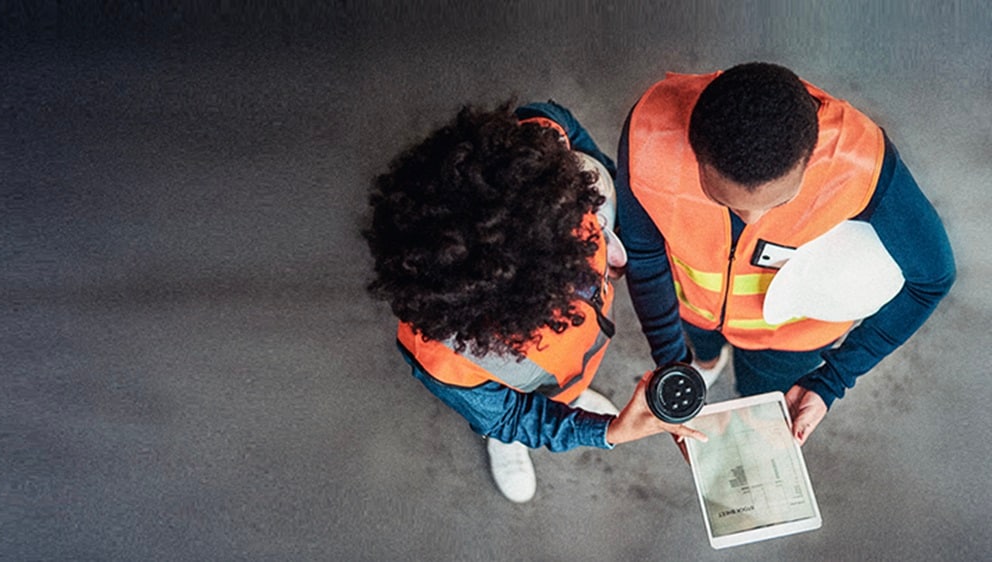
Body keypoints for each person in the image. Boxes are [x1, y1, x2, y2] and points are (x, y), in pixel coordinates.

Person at [365, 101, 706, 503]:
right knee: (515, 417)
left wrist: (599, 191)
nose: (610, 261)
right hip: (522, 390)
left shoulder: (553, 183)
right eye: (573, 284)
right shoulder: (443, 358)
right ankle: (507, 442)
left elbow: (558, 124)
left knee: (569, 388)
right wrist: (602, 430)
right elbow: (509, 414)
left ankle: (572, 396)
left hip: (578, 357)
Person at [616, 62, 955, 445]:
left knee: (759, 400)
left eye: (779, 202)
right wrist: (672, 365)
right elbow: (644, 253)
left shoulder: (859, 163)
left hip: (789, 342)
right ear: (696, 152)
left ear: (811, 159)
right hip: (692, 309)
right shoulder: (650, 135)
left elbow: (931, 279)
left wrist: (832, 379)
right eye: (722, 199)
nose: (752, 219)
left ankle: (720, 372)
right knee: (700, 350)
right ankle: (705, 362)